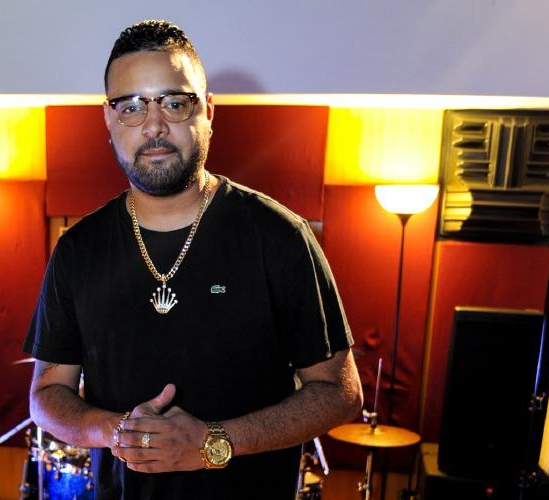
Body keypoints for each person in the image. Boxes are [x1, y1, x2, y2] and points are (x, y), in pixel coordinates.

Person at [24, 19, 363, 499]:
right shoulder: (78, 249)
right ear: (109, 120)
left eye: (174, 103)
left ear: (207, 111)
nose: (154, 126)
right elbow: (47, 395)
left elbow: (339, 393)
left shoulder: (279, 237)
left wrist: (212, 443)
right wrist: (119, 432)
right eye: (132, 107)